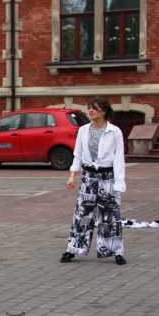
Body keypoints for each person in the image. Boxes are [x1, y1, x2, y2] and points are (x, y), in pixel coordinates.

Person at [62, 97, 126, 265]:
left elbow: (119, 159)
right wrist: (72, 176)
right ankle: (73, 249)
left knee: (110, 215)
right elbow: (78, 154)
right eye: (89, 108)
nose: (90, 111)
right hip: (89, 176)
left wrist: (119, 183)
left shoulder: (114, 132)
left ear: (103, 111)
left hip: (107, 176)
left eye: (94, 108)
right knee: (82, 214)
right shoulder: (83, 130)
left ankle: (116, 251)